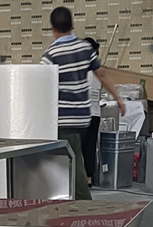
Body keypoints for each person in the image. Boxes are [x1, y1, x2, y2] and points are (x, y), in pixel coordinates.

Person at [41, 7, 125, 200]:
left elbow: (40, 82)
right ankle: (71, 199)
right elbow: (102, 74)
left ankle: (84, 202)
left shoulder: (52, 53)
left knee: (69, 161)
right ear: (72, 25)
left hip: (63, 119)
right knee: (73, 157)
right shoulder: (85, 48)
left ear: (53, 28)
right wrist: (118, 98)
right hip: (82, 118)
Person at [81, 38, 102, 186]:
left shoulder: (85, 71)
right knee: (90, 147)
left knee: (81, 148)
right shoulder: (98, 71)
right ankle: (89, 177)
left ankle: (83, 177)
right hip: (95, 114)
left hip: (84, 114)